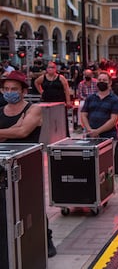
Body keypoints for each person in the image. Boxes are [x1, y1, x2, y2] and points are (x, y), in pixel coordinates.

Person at [0, 71, 57, 257]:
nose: (10, 92)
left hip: (27, 164)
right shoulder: (1, 110)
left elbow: (23, 132)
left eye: (14, 89)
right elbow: (16, 130)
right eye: (6, 89)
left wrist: (14, 130)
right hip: (4, 165)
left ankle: (46, 239)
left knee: (33, 203)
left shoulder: (33, 109)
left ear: (23, 91)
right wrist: (12, 129)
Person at [80, 71, 118, 140]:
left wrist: (97, 131)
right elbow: (83, 115)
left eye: (104, 80)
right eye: (99, 80)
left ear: (110, 83)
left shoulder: (115, 100)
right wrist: (89, 130)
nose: (101, 82)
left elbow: (113, 120)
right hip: (90, 136)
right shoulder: (90, 98)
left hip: (109, 137)